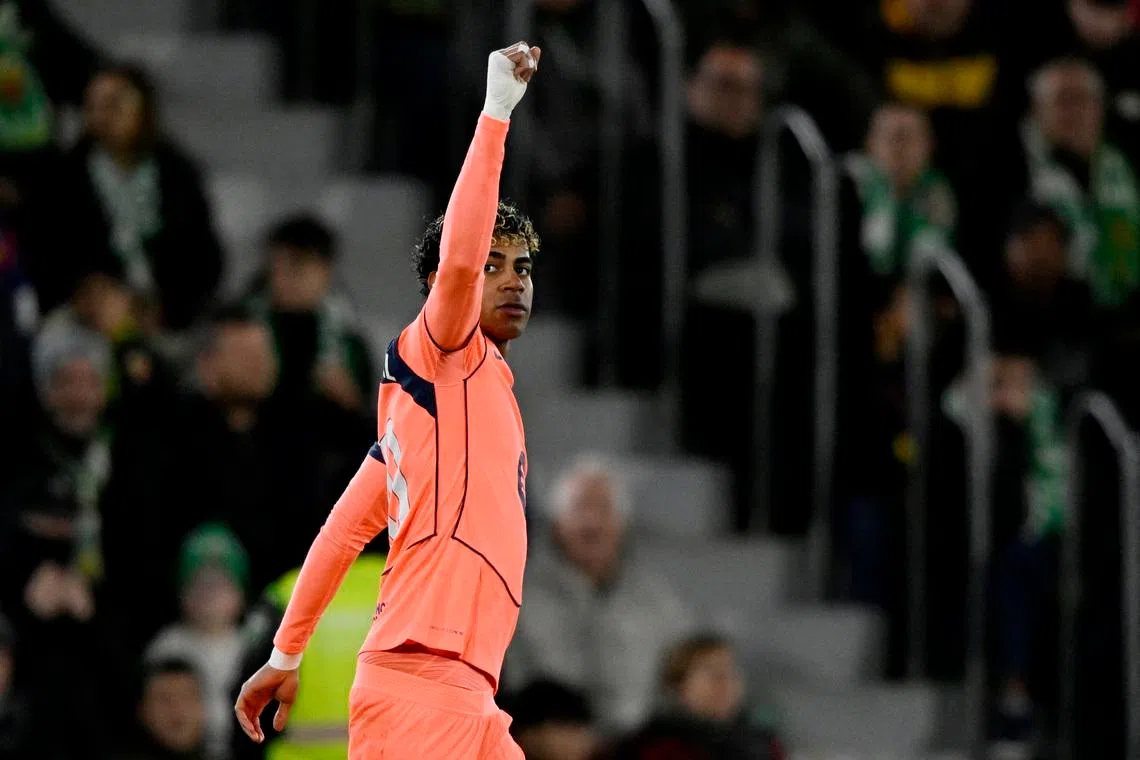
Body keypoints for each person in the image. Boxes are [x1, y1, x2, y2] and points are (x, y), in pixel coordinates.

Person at [234, 41, 542, 760]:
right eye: (493, 265)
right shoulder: (442, 351)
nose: (512, 279)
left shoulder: (430, 417)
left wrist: (286, 655)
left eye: (523, 266)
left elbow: (341, 535)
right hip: (418, 693)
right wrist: (496, 112)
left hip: (466, 697)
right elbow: (459, 258)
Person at [147, 524, 250, 760]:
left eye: (220, 584)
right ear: (182, 591)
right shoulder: (165, 649)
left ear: (241, 592)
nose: (209, 593)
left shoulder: (257, 649)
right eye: (200, 583)